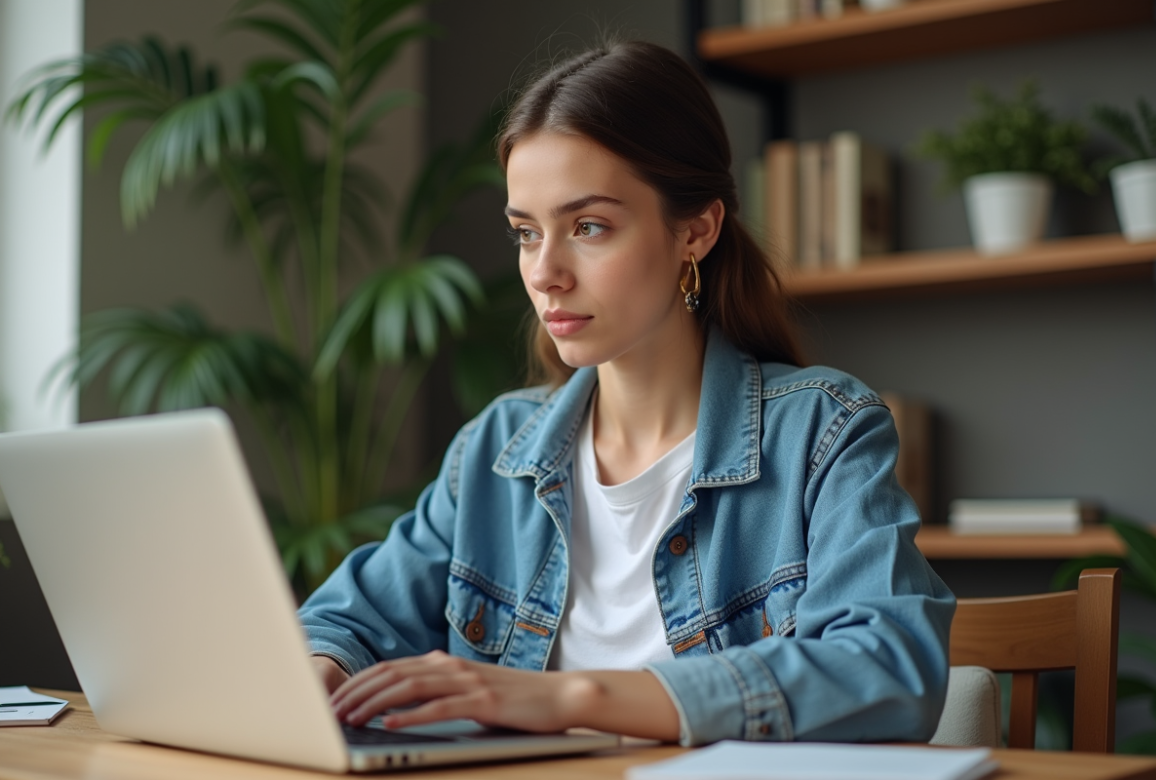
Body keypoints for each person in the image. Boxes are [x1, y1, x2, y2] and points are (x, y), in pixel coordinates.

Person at [299, 39, 954, 747]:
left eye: (588, 227)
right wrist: (316, 670)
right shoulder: (496, 447)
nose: (545, 273)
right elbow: (345, 621)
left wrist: (570, 697)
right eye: (525, 233)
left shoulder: (823, 430)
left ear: (695, 231)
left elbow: (890, 671)